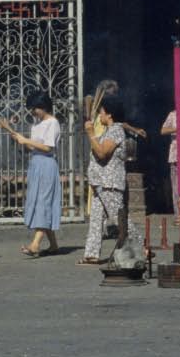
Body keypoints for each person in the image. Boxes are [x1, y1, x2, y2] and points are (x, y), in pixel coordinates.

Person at [5, 90, 61, 257]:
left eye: (35, 108)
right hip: (36, 164)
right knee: (38, 201)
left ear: (43, 107)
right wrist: (19, 139)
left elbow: (48, 147)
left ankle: (35, 244)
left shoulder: (53, 123)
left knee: (43, 201)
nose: (33, 112)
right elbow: (33, 147)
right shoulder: (35, 125)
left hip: (47, 164)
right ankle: (53, 245)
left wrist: (27, 140)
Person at [81, 94, 129, 265]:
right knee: (96, 219)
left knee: (118, 218)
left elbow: (102, 152)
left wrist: (91, 134)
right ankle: (91, 254)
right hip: (99, 182)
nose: (99, 116)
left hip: (110, 183)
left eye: (101, 112)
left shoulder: (116, 130)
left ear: (109, 114)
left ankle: (141, 246)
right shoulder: (108, 131)